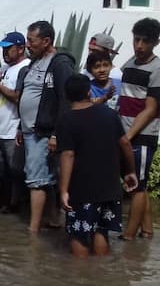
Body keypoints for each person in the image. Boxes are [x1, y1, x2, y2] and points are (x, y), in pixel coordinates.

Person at [57, 74, 138, 258]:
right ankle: (100, 276)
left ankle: (82, 280)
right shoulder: (109, 114)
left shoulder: (67, 120)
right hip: (109, 188)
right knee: (101, 231)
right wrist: (130, 172)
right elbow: (125, 143)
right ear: (88, 91)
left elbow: (68, 154)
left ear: (67, 96)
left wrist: (63, 190)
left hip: (82, 190)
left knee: (80, 234)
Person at [15, 20, 77, 232]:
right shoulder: (34, 63)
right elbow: (26, 96)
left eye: (31, 41)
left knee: (37, 180)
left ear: (46, 41)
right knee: (44, 178)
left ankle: (33, 231)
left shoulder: (60, 64)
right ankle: (53, 219)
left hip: (44, 132)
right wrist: (19, 127)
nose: (28, 45)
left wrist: (56, 135)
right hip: (29, 130)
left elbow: (65, 100)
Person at [118, 17, 160, 240]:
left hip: (142, 136)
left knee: (138, 186)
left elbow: (151, 109)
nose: (139, 46)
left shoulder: (157, 68)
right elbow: (124, 99)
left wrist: (128, 136)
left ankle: (129, 237)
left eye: (145, 41)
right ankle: (148, 229)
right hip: (125, 134)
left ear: (155, 42)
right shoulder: (130, 63)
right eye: (136, 40)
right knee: (136, 184)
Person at [0, 31, 30, 213]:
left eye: (8, 48)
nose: (4, 52)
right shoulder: (4, 69)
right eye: (3, 49)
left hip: (14, 129)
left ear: (21, 48)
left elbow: (19, 98)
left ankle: (14, 204)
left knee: (15, 170)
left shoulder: (25, 68)